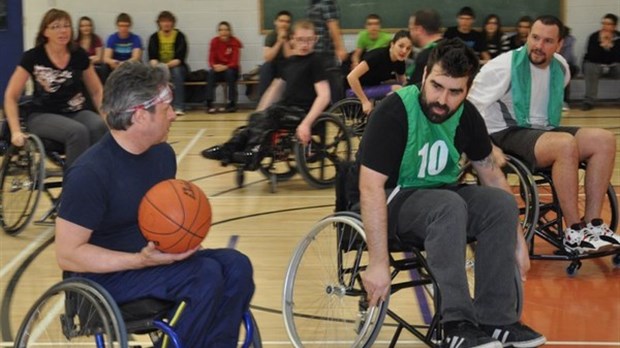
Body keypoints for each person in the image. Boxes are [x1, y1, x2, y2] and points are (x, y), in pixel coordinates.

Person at [356, 38, 545, 348]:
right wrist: (378, 261)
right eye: (437, 86)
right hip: (393, 201)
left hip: (441, 199)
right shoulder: (393, 112)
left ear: (468, 89)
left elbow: (491, 174)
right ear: (426, 73)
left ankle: (497, 319)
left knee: (498, 203)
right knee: (449, 204)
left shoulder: (467, 116)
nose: (442, 99)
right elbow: (370, 187)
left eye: (455, 91)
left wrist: (518, 239)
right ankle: (456, 322)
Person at [55, 61, 255, 347]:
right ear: (139, 116)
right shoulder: (90, 173)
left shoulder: (162, 155)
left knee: (237, 266)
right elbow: (68, 255)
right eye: (166, 108)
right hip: (104, 278)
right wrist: (139, 260)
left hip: (153, 263)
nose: (174, 115)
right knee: (205, 276)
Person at [468, 15, 619, 253]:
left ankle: (593, 225)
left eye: (547, 41)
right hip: (505, 132)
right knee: (564, 144)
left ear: (559, 45)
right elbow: (469, 106)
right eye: (534, 37)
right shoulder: (502, 66)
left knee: (604, 140)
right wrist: (485, 144)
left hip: (542, 130)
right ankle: (574, 231)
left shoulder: (561, 67)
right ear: (527, 36)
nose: (539, 45)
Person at [201, 19, 329, 169]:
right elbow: (275, 88)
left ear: (315, 39)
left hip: (304, 111)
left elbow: (324, 95)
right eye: (300, 40)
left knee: (272, 114)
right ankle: (228, 149)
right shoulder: (290, 62)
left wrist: (306, 124)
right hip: (286, 109)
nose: (305, 44)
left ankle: (253, 152)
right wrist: (259, 112)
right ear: (292, 39)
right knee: (257, 118)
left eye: (309, 40)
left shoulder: (316, 62)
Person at [3, 8, 108, 169]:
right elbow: (11, 96)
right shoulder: (33, 56)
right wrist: (15, 130)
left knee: (99, 126)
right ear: (45, 32)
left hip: (76, 111)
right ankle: (74, 188)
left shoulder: (78, 54)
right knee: (77, 132)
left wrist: (106, 116)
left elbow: (96, 91)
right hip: (42, 114)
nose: (62, 30)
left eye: (66, 26)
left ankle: (94, 179)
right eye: (56, 26)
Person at [346, 30, 412, 115]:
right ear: (392, 44)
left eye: (408, 48)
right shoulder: (377, 56)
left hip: (372, 87)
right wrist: (364, 101)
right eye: (401, 46)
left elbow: (403, 82)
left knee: (402, 88)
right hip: (355, 90)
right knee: (397, 88)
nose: (404, 51)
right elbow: (351, 77)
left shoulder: (400, 61)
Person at [148, 10, 189, 116]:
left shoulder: (179, 36)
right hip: (160, 66)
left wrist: (164, 66)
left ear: (172, 23)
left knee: (176, 72)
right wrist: (158, 67)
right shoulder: (154, 37)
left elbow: (179, 59)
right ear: (159, 23)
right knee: (152, 72)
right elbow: (152, 58)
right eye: (163, 21)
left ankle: (179, 106)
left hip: (176, 66)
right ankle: (156, 106)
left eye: (168, 21)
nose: (166, 24)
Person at [308, 0, 347, 102]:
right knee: (321, 85)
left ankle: (336, 111)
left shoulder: (327, 3)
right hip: (315, 51)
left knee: (333, 83)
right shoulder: (314, 3)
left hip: (325, 51)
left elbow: (333, 26)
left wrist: (340, 48)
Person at [581, 13, 620, 111]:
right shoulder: (594, 37)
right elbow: (591, 56)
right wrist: (601, 45)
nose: (605, 26)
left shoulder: (619, 37)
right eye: (603, 23)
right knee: (589, 66)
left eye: (608, 24)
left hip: (614, 66)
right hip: (597, 65)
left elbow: (618, 57)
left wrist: (610, 47)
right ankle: (589, 101)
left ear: (614, 26)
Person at [205, 21, 243, 114]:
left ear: (230, 31)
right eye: (221, 30)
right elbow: (211, 60)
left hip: (231, 70)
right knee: (210, 73)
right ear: (218, 32)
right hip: (219, 70)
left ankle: (232, 103)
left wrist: (225, 67)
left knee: (229, 73)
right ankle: (209, 103)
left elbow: (234, 62)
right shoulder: (214, 41)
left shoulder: (234, 42)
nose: (224, 32)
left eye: (226, 30)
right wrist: (214, 66)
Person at [258, 10, 293, 98]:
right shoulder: (271, 36)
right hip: (274, 65)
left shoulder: (293, 35)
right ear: (275, 22)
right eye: (281, 21)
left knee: (293, 67)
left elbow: (289, 56)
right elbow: (268, 58)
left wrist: (284, 39)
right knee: (266, 66)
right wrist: (278, 41)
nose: (284, 24)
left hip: (289, 65)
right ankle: (262, 102)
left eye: (287, 22)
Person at [408, 9, 443, 85]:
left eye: (411, 29)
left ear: (419, 30)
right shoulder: (451, 47)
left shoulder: (426, 56)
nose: (410, 33)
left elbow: (413, 89)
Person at [75, 16, 106, 82]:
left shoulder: (96, 39)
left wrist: (86, 61)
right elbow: (76, 59)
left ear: (91, 27)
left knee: (103, 68)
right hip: (81, 68)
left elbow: (99, 58)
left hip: (95, 67)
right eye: (83, 26)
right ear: (79, 28)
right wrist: (90, 58)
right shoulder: (76, 42)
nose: (86, 28)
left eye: (88, 26)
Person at [559, 26, 579, 110]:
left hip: (568, 65)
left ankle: (564, 101)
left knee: (564, 72)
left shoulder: (569, 41)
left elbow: (567, 58)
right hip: (553, 64)